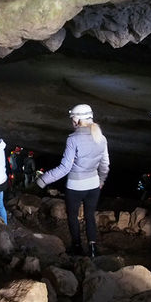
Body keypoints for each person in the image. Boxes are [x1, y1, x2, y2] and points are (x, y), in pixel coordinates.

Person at [36, 104, 109, 258]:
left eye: (72, 118)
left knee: (73, 216)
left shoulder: (73, 139)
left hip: (76, 186)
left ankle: (77, 247)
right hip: (93, 186)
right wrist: (101, 180)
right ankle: (93, 248)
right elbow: (105, 164)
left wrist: (43, 180)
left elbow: (64, 168)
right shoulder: (101, 137)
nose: (71, 121)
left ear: (77, 119)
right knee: (90, 216)